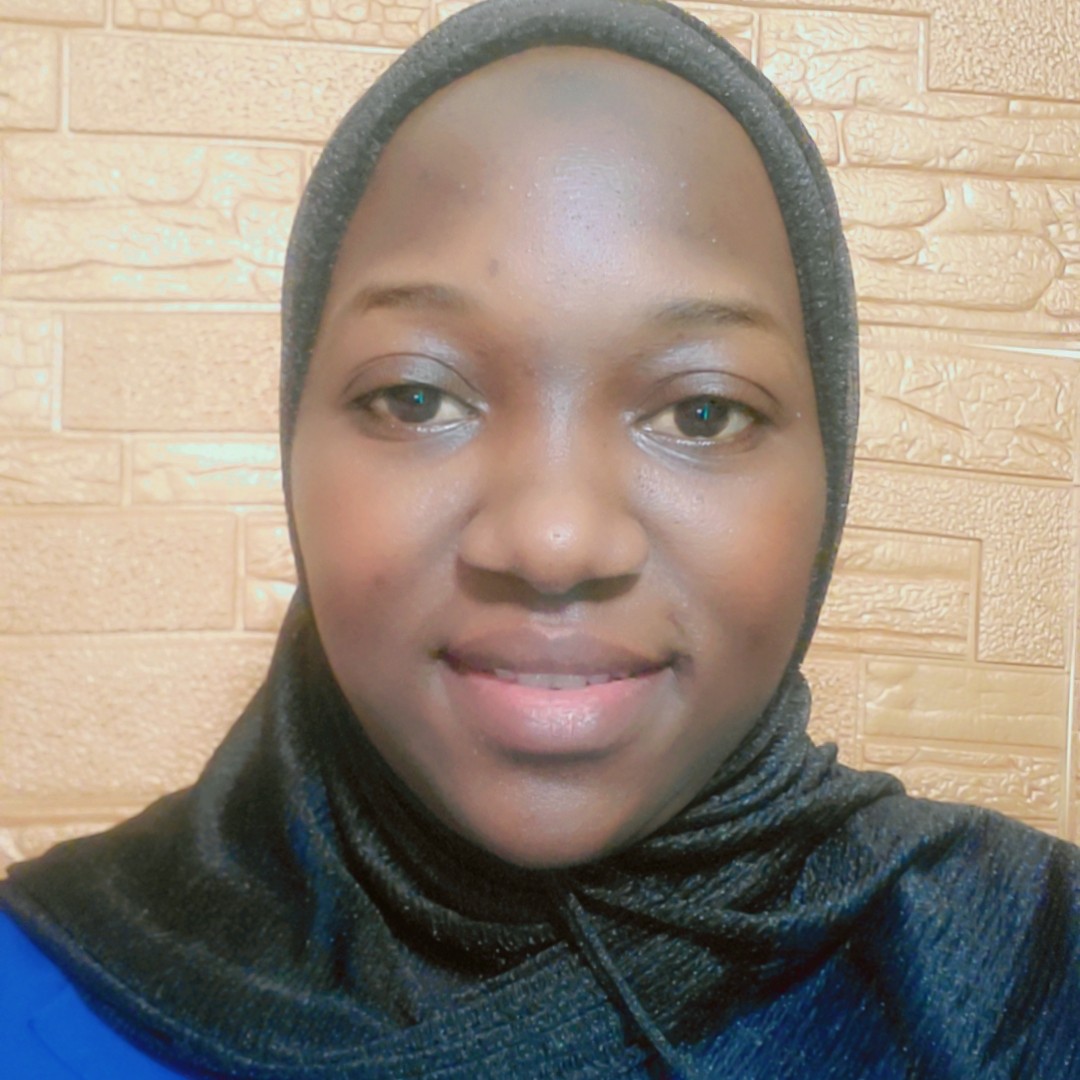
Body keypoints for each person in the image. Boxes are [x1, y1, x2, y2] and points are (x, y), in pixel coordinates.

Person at [2, 0, 1077, 1076]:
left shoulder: (1032, 979)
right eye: (417, 398)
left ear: (827, 469)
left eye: (702, 412)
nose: (554, 541)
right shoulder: (36, 995)